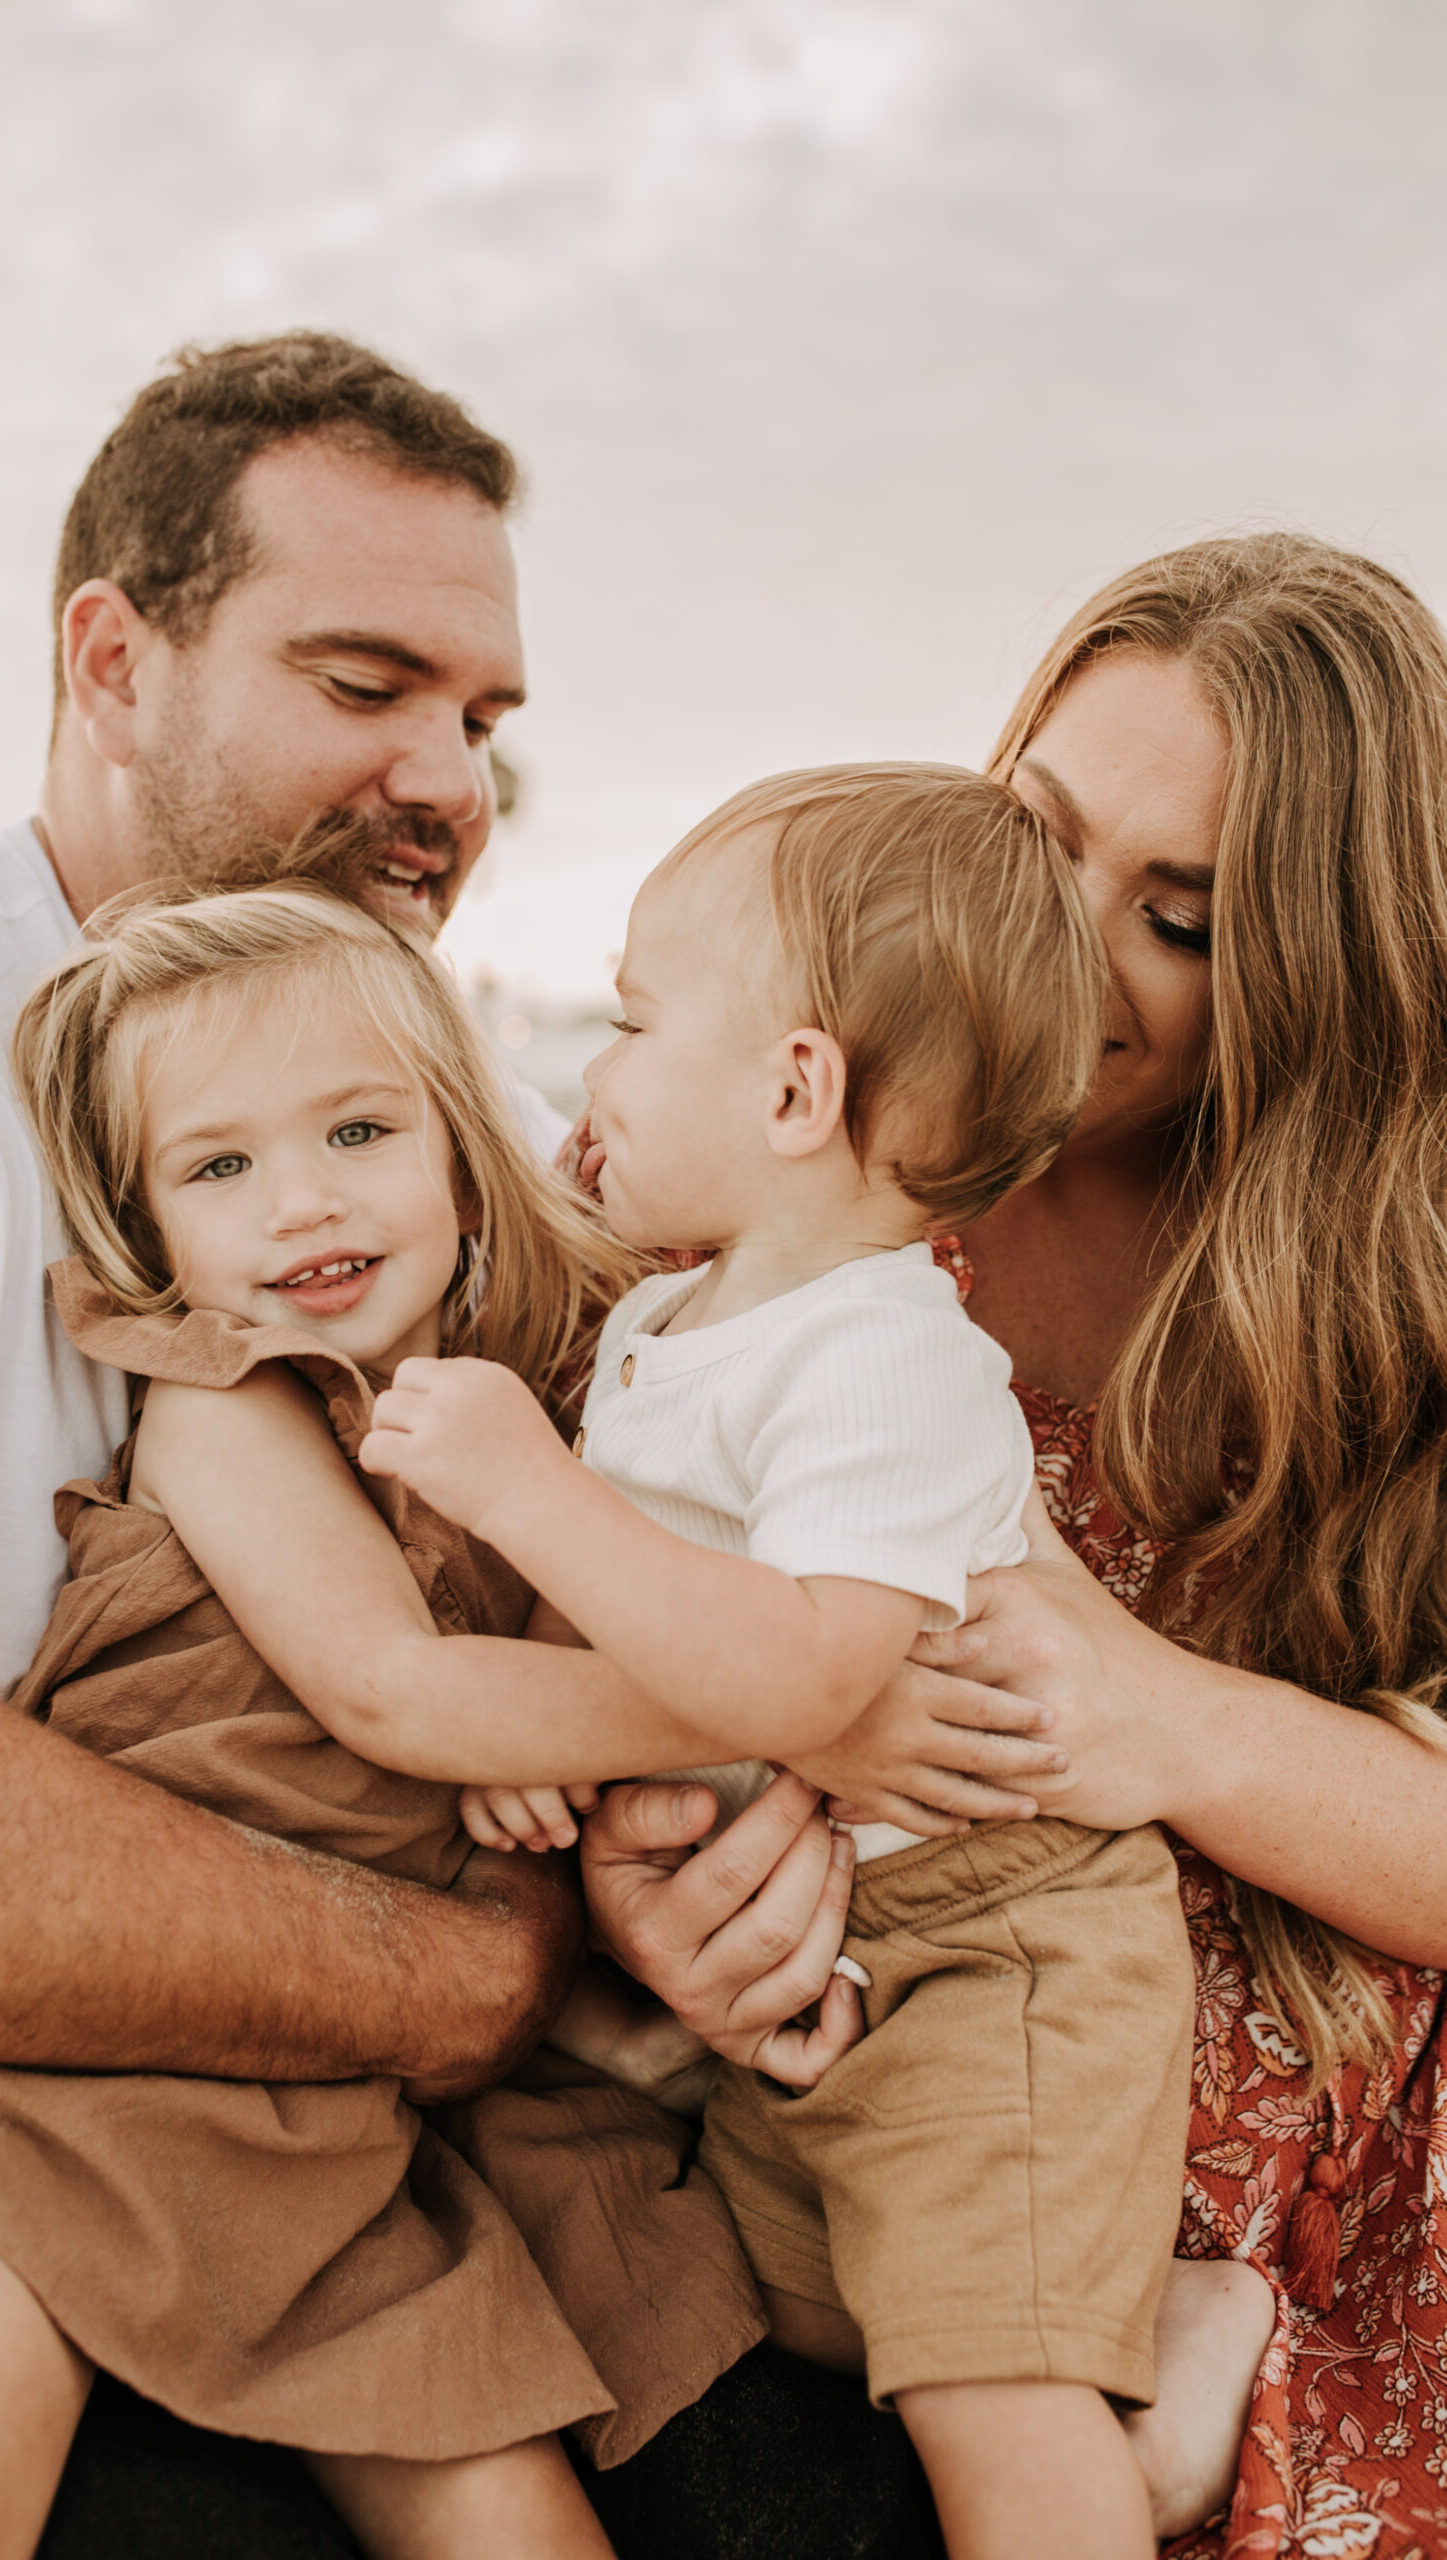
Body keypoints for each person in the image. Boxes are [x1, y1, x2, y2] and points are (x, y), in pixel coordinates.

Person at [581, 531, 1447, 2559]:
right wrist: (657, 1893)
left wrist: (1162, 1722)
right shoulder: (781, 1186)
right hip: (856, 2087)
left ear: (1310, 976)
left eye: (1172, 915)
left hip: (1272, 2154)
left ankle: (1200, 2368)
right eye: (1030, 832)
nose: (1058, 935)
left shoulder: (1383, 1317)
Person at [0, 873, 776, 2560]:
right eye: (218, 1168)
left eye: (358, 1132)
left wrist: (538, 1758)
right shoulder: (222, 1401)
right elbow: (392, 1687)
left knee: (521, 2517)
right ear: (153, 1233)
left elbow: (529, 1658)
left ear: (461, 1141)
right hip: (77, 2054)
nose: (299, 1204)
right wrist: (689, 1717)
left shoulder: (537, 1392)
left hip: (337, 2114)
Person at [359, 761, 1279, 2557]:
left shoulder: (885, 1356)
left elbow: (806, 1681)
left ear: (792, 1090)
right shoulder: (671, 1316)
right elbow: (649, 1588)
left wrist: (525, 1494)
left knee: (984, 2400)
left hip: (989, 1946)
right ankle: (1153, 2338)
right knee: (809, 2304)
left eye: (628, 1023)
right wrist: (534, 1720)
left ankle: (1102, 2446)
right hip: (850, 1943)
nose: (596, 1076)